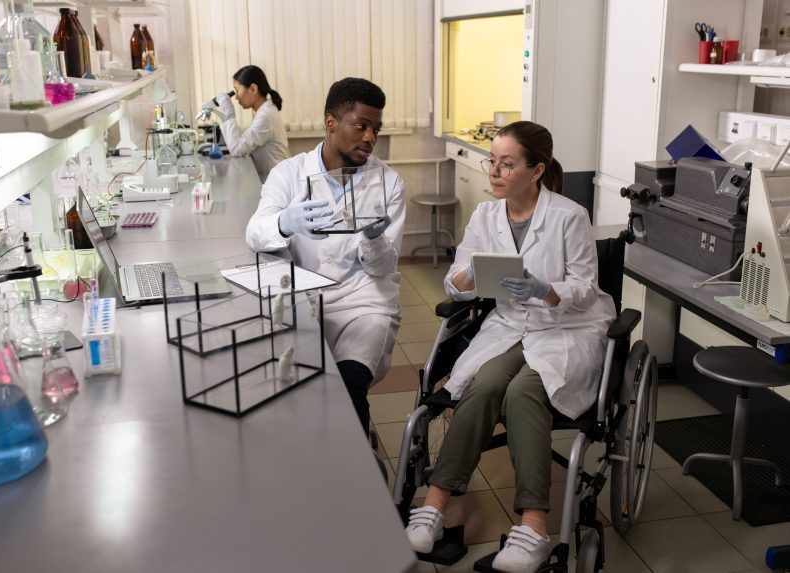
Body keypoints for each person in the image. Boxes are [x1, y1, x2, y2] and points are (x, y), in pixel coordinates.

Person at [403, 121, 615, 573]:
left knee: (522, 393)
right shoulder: (485, 216)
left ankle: (534, 527)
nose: (494, 172)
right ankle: (435, 505)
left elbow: (584, 287)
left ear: (536, 170)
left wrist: (545, 290)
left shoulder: (568, 216)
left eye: (506, 163)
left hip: (567, 328)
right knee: (483, 386)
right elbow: (456, 279)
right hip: (509, 324)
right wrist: (467, 277)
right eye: (492, 161)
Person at [245, 77, 405, 437]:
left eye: (375, 129)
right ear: (331, 123)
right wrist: (287, 222)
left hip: (364, 303)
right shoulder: (289, 174)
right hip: (304, 300)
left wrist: (373, 238)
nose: (370, 138)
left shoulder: (388, 183)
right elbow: (255, 233)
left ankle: (359, 473)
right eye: (360, 126)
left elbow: (383, 267)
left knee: (349, 388)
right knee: (297, 393)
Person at [200, 65, 290, 181]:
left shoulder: (265, 116)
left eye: (237, 90)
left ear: (253, 89)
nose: (236, 97)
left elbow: (237, 149)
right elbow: (244, 140)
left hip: (279, 181)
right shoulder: (263, 111)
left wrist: (229, 112)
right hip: (273, 177)